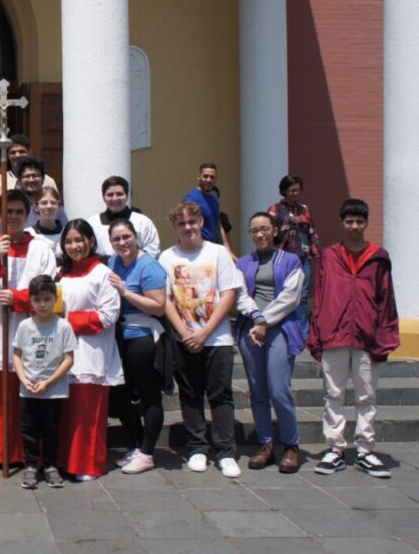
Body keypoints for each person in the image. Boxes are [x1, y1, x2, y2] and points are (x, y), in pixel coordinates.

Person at [309, 198, 399, 478]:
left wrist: (385, 335)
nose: (354, 226)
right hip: (334, 332)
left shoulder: (378, 257)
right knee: (333, 394)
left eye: (359, 221)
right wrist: (316, 332)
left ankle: (365, 450)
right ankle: (335, 449)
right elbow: (320, 294)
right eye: (349, 221)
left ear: (366, 223)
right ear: (341, 222)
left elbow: (386, 299)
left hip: (367, 335)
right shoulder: (329, 256)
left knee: (366, 395)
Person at [0, 189, 57, 467]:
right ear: (0, 214)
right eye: (9, 212)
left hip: (31, 328)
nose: (14, 217)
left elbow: (49, 289)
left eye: (20, 212)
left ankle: (25, 454)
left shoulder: (42, 247)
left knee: (27, 397)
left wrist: (19, 298)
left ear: (29, 214)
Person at [159, 201, 242, 478]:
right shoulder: (167, 257)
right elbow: (166, 299)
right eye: (181, 223)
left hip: (216, 338)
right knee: (190, 395)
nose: (187, 228)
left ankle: (226, 451)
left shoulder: (218, 253)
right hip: (184, 338)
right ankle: (197, 448)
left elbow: (229, 294)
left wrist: (205, 333)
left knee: (221, 395)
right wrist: (184, 332)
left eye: (192, 222)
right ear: (175, 227)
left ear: (201, 223)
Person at [234, 212, 305, 474]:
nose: (260, 234)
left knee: (279, 390)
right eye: (254, 231)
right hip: (251, 331)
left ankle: (291, 445)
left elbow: (290, 298)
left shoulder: (291, 261)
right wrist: (255, 319)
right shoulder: (242, 263)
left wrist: (265, 321)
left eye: (265, 229)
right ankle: (265, 444)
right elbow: (240, 295)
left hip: (280, 330)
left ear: (275, 230)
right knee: (258, 392)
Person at [56, 220, 123, 481]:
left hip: (91, 352)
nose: (74, 246)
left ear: (91, 241)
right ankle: (65, 460)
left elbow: (108, 315)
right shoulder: (60, 274)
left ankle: (88, 464)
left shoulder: (102, 274)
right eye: (69, 241)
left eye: (79, 240)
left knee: (87, 412)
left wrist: (68, 322)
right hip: (63, 352)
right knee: (66, 412)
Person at [106, 218, 167, 474]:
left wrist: (126, 292)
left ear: (136, 236)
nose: (122, 243)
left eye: (126, 237)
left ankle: (148, 452)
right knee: (121, 395)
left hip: (143, 336)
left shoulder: (149, 266)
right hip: (119, 335)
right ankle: (136, 445)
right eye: (117, 239)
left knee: (148, 395)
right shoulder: (114, 262)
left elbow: (159, 306)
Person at [13, 275, 78, 489]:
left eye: (47, 299)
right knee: (28, 429)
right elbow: (17, 354)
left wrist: (48, 382)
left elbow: (68, 359)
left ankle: (50, 465)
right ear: (31, 300)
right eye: (38, 299)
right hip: (28, 388)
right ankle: (31, 465)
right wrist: (23, 379)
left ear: (55, 299)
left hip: (53, 390)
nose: (42, 304)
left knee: (51, 429)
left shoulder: (63, 326)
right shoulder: (24, 326)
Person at [268, 175, 320, 338]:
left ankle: (302, 334)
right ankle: (281, 329)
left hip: (302, 257)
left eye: (298, 190)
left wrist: (316, 251)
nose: (295, 193)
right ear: (284, 191)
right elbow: (269, 233)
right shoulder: (274, 210)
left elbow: (311, 231)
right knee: (282, 293)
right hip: (282, 257)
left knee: (302, 296)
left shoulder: (304, 208)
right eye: (292, 190)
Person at [0, 135, 58, 225]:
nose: (17, 155)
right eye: (13, 152)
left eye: (21, 151)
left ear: (30, 152)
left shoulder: (47, 181)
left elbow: (56, 208)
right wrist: (11, 213)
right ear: (8, 155)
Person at [0, 157, 67, 236]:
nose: (31, 180)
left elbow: (66, 234)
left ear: (43, 179)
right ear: (19, 181)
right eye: (27, 176)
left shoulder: (52, 205)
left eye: (35, 176)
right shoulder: (11, 205)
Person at [87, 176, 160, 258]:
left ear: (127, 196)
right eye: (110, 195)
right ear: (103, 197)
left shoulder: (142, 221)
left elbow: (153, 249)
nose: (115, 198)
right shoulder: (92, 222)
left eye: (119, 194)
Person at [182, 163, 232, 251]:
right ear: (198, 177)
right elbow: (186, 226)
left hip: (213, 248)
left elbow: (218, 224)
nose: (209, 180)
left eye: (212, 177)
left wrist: (227, 248)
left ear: (216, 179)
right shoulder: (191, 199)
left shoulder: (214, 199)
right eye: (205, 176)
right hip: (197, 249)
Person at [25, 186, 64, 262]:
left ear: (59, 207)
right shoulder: (28, 234)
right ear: (36, 207)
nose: (49, 206)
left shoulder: (66, 233)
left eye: (53, 203)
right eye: (44, 203)